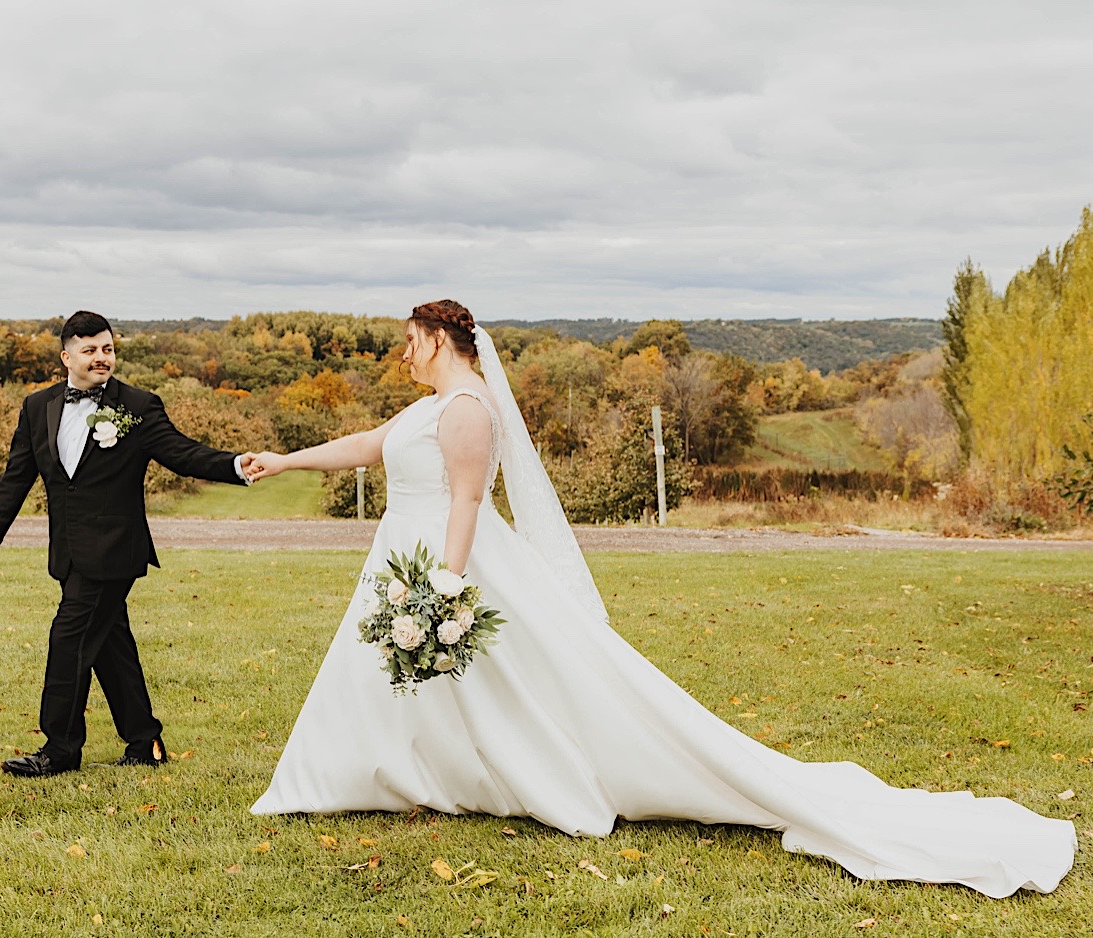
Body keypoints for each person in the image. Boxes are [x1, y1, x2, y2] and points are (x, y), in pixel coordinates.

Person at [244, 299, 1076, 898]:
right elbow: (367, 444)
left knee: (509, 680)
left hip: (446, 560)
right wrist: (284, 460)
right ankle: (398, 771)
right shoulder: (427, 407)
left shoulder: (466, 410)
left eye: (409, 343)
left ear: (440, 340)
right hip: (408, 556)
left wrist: (447, 586)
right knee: (428, 680)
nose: (404, 355)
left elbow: (464, 501)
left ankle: (509, 774)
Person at [0, 310, 255, 777]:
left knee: (69, 640)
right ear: (67, 356)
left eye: (107, 348)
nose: (102, 358)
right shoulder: (36, 407)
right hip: (68, 551)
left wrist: (234, 466)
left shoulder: (137, 406)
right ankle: (145, 742)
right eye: (90, 350)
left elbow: (181, 453)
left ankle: (60, 749)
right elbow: (16, 478)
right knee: (110, 645)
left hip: (114, 550)